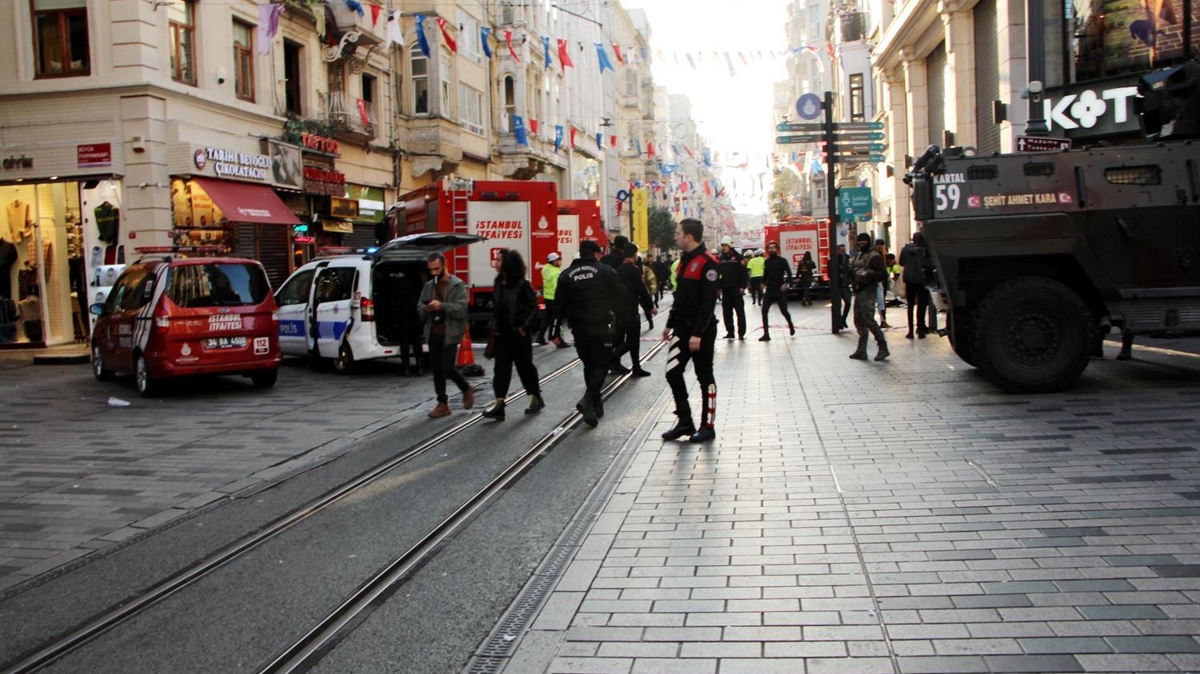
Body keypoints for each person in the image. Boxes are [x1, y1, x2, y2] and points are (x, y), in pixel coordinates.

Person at [661, 218, 720, 443]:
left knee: (705, 377)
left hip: (701, 331)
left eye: (678, 233)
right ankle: (685, 421)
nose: (675, 236)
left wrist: (698, 333)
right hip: (681, 328)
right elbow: (680, 298)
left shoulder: (708, 263)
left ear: (689, 236)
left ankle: (708, 426)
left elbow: (708, 301)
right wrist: (669, 323)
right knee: (672, 372)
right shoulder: (683, 261)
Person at [556, 239, 622, 427]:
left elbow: (558, 306)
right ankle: (588, 399)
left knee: (588, 363)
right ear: (596, 253)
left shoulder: (566, 275)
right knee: (601, 363)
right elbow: (620, 295)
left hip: (579, 327)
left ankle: (595, 403)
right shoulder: (606, 271)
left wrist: (556, 330)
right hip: (601, 325)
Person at [481, 250, 543, 420]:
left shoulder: (522, 285)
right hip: (502, 334)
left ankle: (536, 397)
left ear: (508, 263)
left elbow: (534, 307)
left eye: (499, 259)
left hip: (519, 334)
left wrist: (524, 327)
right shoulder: (498, 282)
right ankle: (499, 404)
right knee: (501, 369)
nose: (496, 262)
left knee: (525, 368)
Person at [418, 252, 475, 417]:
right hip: (433, 331)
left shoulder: (457, 285)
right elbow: (419, 306)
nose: (434, 272)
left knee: (448, 368)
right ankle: (442, 403)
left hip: (450, 332)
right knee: (437, 369)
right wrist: (426, 308)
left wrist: (442, 306)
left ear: (444, 265)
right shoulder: (429, 286)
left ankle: (465, 388)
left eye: (437, 268)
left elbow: (461, 309)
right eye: (431, 270)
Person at [611, 243, 657, 376]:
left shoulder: (618, 269)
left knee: (620, 338)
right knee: (633, 340)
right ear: (635, 255)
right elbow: (641, 290)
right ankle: (615, 359)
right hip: (631, 310)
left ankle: (617, 363)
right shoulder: (634, 270)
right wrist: (650, 306)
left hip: (618, 310)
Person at [849, 233, 889, 361]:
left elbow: (883, 274)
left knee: (869, 320)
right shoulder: (860, 255)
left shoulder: (874, 257)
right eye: (859, 243)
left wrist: (868, 274)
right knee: (859, 320)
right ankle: (862, 350)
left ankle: (883, 346)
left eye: (863, 243)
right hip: (859, 290)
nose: (861, 245)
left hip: (868, 290)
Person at [758, 241, 795, 341]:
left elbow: (789, 274)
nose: (771, 249)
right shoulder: (767, 262)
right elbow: (765, 275)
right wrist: (762, 283)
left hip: (780, 290)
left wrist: (786, 283)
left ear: (777, 249)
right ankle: (766, 334)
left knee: (784, 311)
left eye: (773, 247)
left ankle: (790, 324)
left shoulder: (782, 261)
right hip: (770, 290)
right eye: (770, 248)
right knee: (764, 310)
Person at [899, 231, 930, 339]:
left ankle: (910, 331)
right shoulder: (926, 249)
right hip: (922, 281)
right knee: (922, 306)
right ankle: (920, 329)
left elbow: (901, 262)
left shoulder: (905, 249)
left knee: (910, 306)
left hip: (909, 280)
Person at [717, 236, 747, 340]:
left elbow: (744, 273)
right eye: (723, 246)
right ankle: (730, 332)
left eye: (725, 245)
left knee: (740, 312)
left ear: (730, 245)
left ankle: (741, 333)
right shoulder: (722, 259)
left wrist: (743, 286)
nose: (724, 248)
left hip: (736, 289)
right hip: (726, 289)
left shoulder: (739, 258)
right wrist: (718, 287)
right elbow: (719, 274)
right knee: (727, 312)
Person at [536, 252, 568, 347]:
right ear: (553, 261)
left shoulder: (545, 269)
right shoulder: (556, 272)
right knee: (558, 321)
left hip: (547, 297)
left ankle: (540, 336)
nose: (560, 261)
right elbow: (557, 287)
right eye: (558, 260)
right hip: (555, 299)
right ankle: (558, 338)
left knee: (547, 318)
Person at [835, 243, 853, 329]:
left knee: (848, 303)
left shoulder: (847, 258)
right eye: (842, 251)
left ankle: (843, 319)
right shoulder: (833, 260)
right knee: (837, 305)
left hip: (845, 285)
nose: (843, 253)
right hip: (837, 286)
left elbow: (850, 270)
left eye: (844, 251)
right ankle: (839, 322)